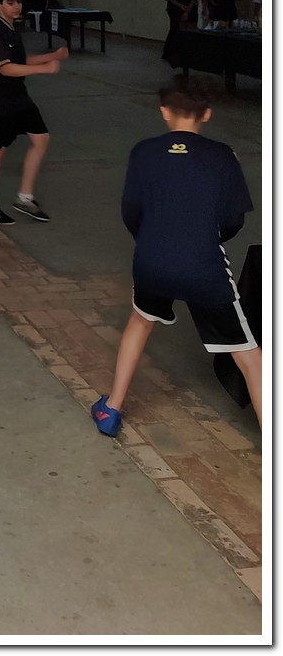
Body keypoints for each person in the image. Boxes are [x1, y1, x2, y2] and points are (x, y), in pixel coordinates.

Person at [91, 77, 261, 436]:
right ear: (207, 114)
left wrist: (155, 241)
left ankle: (111, 409)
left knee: (140, 322)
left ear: (164, 111)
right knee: (249, 357)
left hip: (152, 260)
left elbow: (131, 211)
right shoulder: (222, 155)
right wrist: (201, 239)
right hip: (203, 266)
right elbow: (234, 218)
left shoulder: (143, 152)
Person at [0, 0, 68, 224]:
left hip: (18, 97)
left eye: (18, 2)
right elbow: (6, 68)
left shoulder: (11, 27)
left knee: (41, 138)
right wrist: (45, 69)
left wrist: (51, 56)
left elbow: (20, 59)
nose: (17, 6)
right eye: (10, 2)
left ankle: (24, 198)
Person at [160, 0, 199, 66]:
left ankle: (170, 52)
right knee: (188, 31)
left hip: (173, 8)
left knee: (174, 29)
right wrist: (186, 9)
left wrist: (178, 5)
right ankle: (187, 52)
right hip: (187, 7)